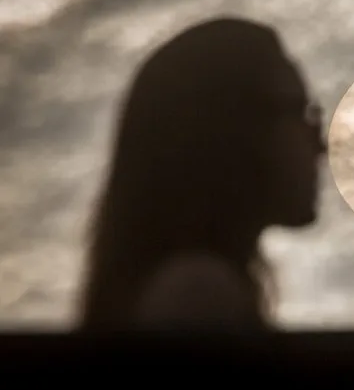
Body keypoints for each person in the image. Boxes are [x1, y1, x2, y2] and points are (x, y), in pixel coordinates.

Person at [78, 17, 326, 333]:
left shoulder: (190, 286)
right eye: (301, 113)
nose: (320, 144)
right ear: (232, 126)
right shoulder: (197, 294)